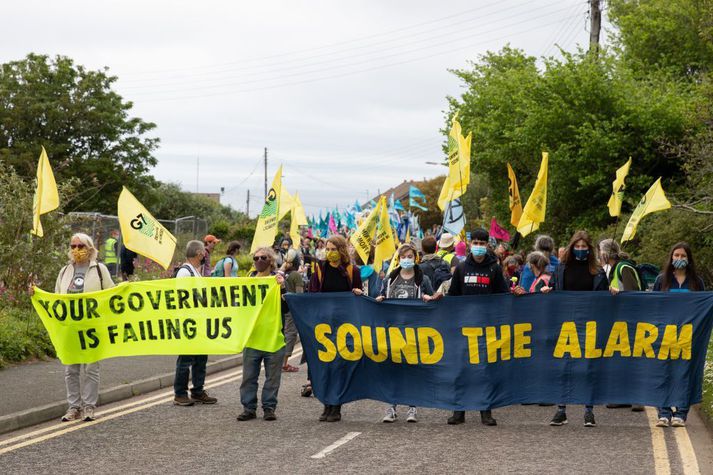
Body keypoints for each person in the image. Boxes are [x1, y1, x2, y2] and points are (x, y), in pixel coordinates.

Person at [542, 230, 607, 427]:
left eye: (584, 247)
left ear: (589, 249)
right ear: (572, 248)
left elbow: (603, 297)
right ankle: (561, 410)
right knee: (564, 366)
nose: (580, 250)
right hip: (566, 324)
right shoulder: (561, 268)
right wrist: (547, 290)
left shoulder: (598, 271)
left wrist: (611, 291)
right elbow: (554, 287)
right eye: (577, 247)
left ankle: (589, 410)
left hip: (589, 324)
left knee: (588, 367)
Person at [446, 228, 508, 427]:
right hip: (464, 327)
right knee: (461, 370)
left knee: (485, 371)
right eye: (476, 243)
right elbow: (453, 296)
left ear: (487, 245)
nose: (479, 247)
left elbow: (502, 296)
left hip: (487, 327)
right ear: (471, 244)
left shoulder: (494, 269)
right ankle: (459, 411)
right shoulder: (462, 268)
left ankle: (486, 411)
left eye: (483, 243)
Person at [55, 233, 115, 422]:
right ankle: (74, 408)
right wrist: (35, 294)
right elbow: (56, 297)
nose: (76, 250)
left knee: (91, 368)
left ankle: (89, 406)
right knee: (70, 370)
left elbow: (112, 294)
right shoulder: (65, 271)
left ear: (89, 249)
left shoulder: (100, 270)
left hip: (92, 327)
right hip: (70, 328)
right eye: (73, 246)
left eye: (80, 246)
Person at [376, 242, 438, 423]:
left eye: (410, 256)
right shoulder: (389, 280)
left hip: (414, 331)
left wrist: (428, 298)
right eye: (403, 257)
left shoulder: (423, 279)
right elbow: (379, 297)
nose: (406, 260)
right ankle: (391, 407)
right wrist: (379, 299)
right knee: (393, 370)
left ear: (415, 258)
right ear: (399, 258)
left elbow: (433, 301)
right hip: (393, 331)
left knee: (412, 370)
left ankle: (412, 408)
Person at [308, 235, 363, 422]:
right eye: (327, 249)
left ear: (341, 251)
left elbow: (359, 294)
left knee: (339, 367)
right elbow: (312, 293)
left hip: (344, 325)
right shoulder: (319, 269)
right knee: (325, 367)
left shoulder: (351, 270)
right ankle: (326, 404)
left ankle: (336, 406)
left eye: (333, 249)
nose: (329, 253)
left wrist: (357, 292)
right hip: (324, 326)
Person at [653, 242, 705, 428]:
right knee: (664, 372)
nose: (679, 259)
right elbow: (653, 306)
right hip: (666, 333)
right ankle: (664, 412)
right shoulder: (662, 280)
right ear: (671, 257)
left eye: (683, 256)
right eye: (676, 256)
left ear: (689, 259)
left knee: (684, 373)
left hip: (688, 334)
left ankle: (681, 413)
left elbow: (702, 308)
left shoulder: (696, 282)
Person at [237, 247, 287, 421]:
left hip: (273, 338)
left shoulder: (278, 281)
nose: (259, 260)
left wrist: (282, 288)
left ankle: (269, 408)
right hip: (252, 338)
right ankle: (249, 408)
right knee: (248, 378)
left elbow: (287, 307)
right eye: (256, 257)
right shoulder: (248, 281)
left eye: (263, 257)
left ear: (271, 260)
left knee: (272, 379)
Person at [173, 240, 218, 407]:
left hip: (199, 321)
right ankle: (180, 393)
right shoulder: (185, 273)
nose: (205, 255)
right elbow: (182, 298)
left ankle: (198, 391)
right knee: (185, 359)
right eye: (203, 252)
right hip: (188, 322)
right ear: (199, 253)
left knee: (200, 358)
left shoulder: (194, 271)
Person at [280, 248, 302, 372]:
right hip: (292, 309)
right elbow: (299, 294)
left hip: (282, 307)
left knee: (284, 333)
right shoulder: (296, 275)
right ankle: (284, 363)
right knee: (291, 334)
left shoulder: (282, 274)